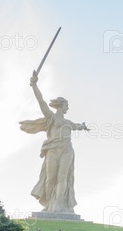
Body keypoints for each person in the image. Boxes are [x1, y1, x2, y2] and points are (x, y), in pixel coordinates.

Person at [20, 71, 88, 213]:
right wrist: (34, 85)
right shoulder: (51, 117)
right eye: (67, 105)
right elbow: (41, 102)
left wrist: (83, 126)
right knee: (50, 178)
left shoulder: (68, 123)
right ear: (61, 106)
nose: (68, 108)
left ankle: (58, 205)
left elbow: (78, 126)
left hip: (66, 150)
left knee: (62, 178)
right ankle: (49, 204)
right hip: (52, 150)